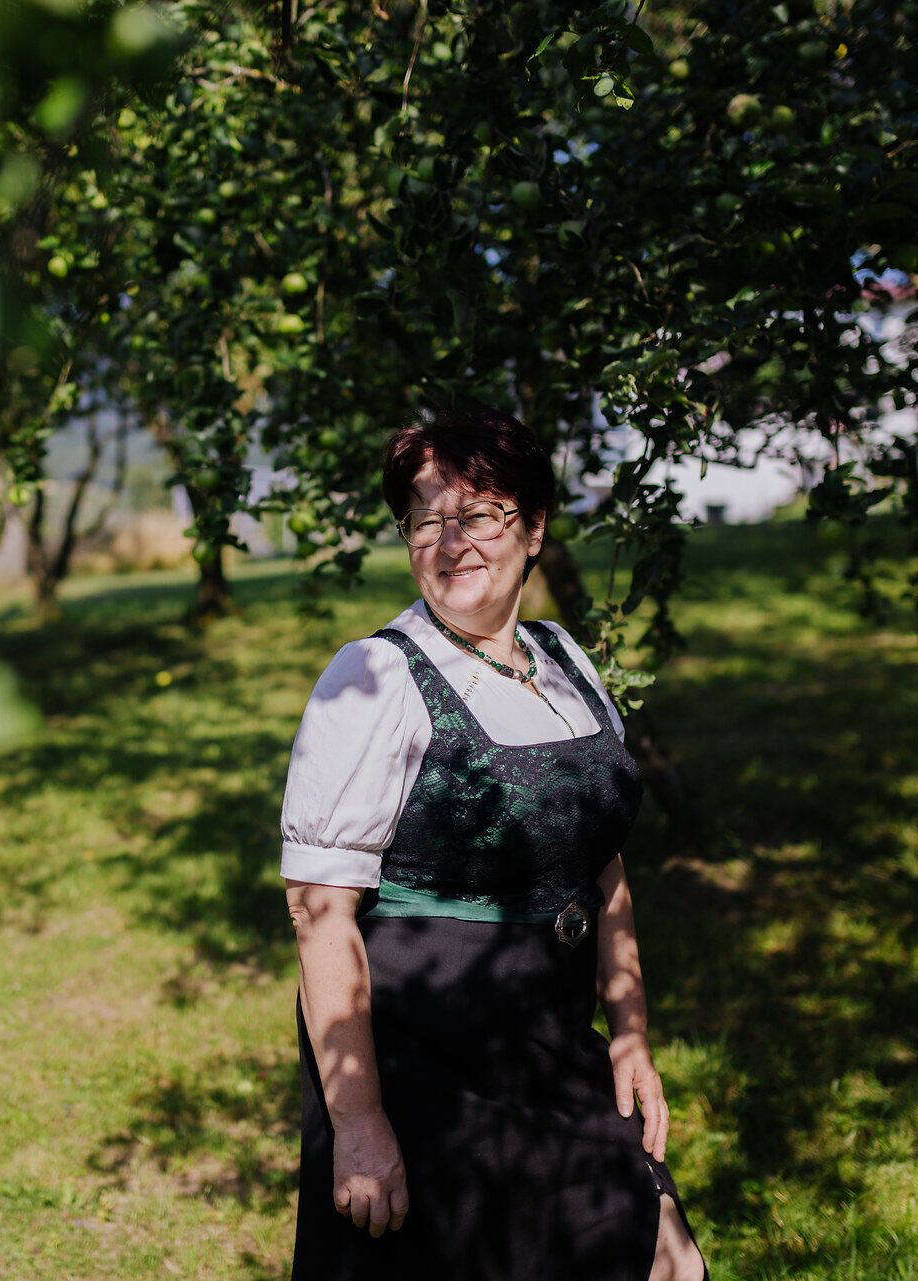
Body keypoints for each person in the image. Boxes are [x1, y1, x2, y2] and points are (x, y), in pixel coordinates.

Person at [280, 404, 710, 1281]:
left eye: (477, 513)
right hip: (429, 1060)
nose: (451, 540)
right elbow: (319, 915)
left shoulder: (566, 662)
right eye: (426, 518)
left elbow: (604, 861)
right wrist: (359, 1124)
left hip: (551, 1040)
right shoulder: (374, 677)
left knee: (668, 1260)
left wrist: (629, 1030)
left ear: (535, 527)